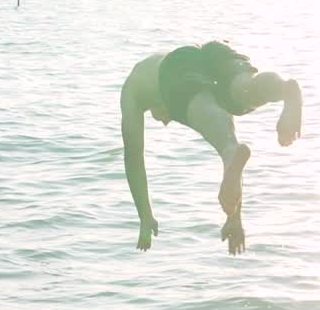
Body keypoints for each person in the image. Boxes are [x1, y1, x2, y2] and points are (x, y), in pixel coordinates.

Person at [119, 41, 302, 255]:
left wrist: (145, 216)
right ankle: (284, 89)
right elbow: (233, 160)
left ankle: (232, 144)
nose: (165, 121)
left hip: (178, 64)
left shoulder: (133, 90)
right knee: (242, 91)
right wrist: (234, 217)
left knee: (201, 110)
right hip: (213, 51)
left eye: (158, 116)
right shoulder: (164, 64)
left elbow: (133, 156)